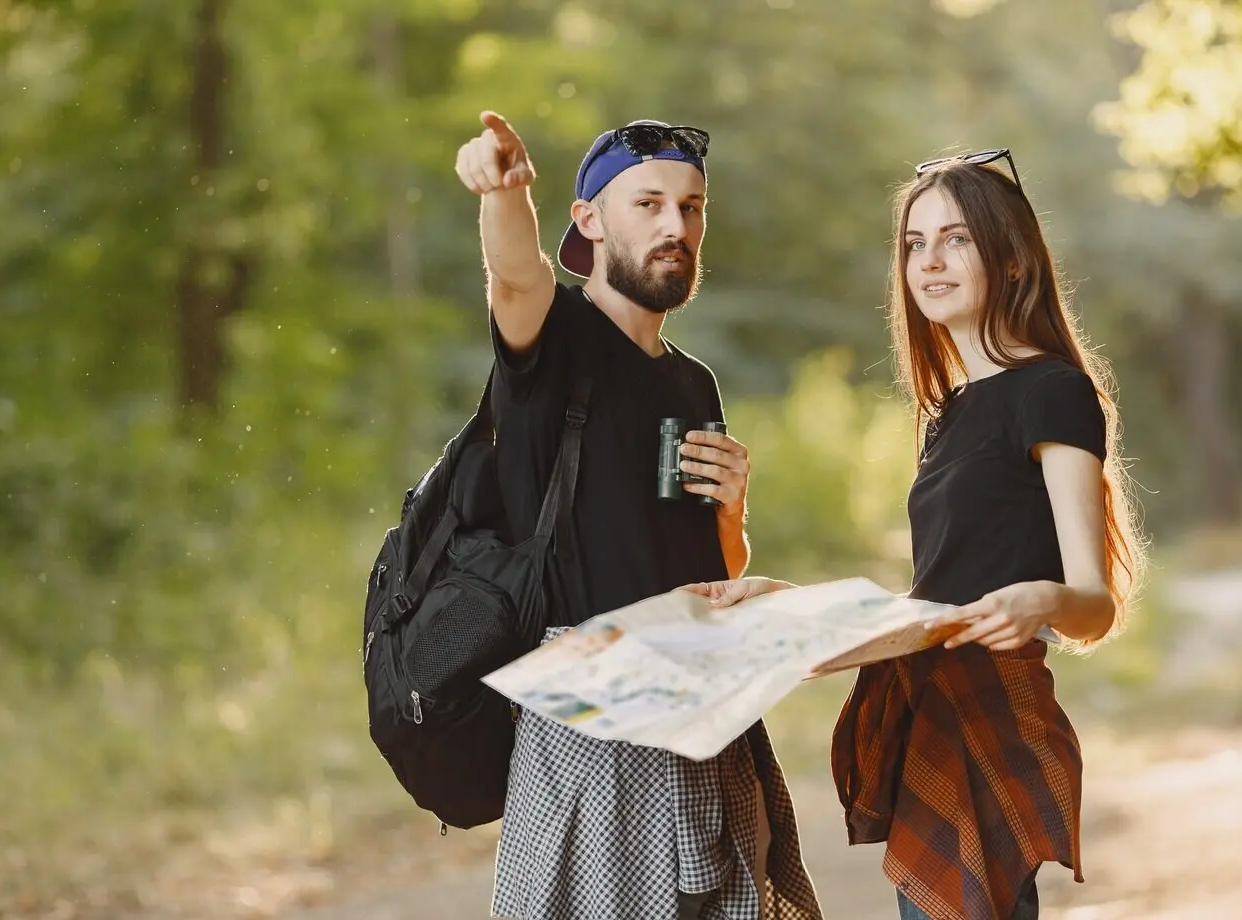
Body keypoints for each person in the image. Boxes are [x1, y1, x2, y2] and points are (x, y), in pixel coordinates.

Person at [686, 148, 1147, 920]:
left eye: (957, 239)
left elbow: (1093, 603)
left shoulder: (1054, 393)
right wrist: (791, 605)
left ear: (1010, 260)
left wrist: (1043, 598)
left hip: (993, 713)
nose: (929, 261)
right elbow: (934, 599)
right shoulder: (948, 409)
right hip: (925, 709)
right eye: (914, 243)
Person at [452, 112, 823, 920]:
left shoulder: (695, 385)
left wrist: (733, 514)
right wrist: (504, 188)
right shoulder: (556, 342)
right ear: (588, 221)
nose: (674, 225)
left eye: (691, 207)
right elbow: (514, 275)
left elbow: (708, 576)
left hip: (701, 721)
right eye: (648, 203)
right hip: (593, 733)